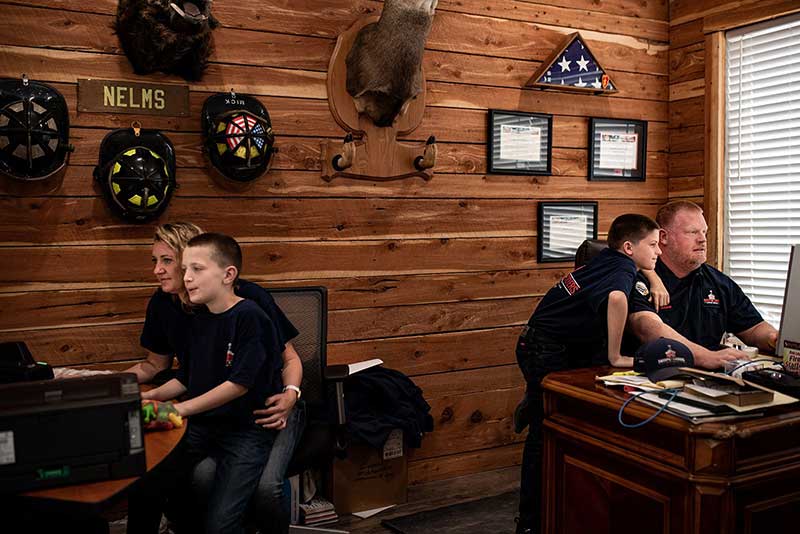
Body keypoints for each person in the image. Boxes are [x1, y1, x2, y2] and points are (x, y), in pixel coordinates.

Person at [125, 222, 303, 533]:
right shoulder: (195, 311)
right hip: (209, 418)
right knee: (148, 477)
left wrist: (291, 393)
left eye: (168, 261)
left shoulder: (247, 306)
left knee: (253, 497)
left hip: (257, 415)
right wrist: (129, 394)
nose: (158, 270)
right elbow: (178, 373)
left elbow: (272, 367)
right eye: (157, 261)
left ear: (225, 274)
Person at [514, 213, 661, 534]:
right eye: (653, 244)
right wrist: (615, 355)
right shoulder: (621, 269)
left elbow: (635, 266)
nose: (659, 251)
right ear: (628, 247)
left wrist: (654, 277)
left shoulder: (610, 257)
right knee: (545, 432)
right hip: (544, 348)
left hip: (539, 340)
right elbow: (617, 297)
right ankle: (530, 523)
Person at [627, 200, 778, 368]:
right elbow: (647, 327)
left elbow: (754, 327)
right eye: (692, 232)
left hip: (710, 377)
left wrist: (775, 338)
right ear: (663, 237)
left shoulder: (718, 283)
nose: (702, 240)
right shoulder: (641, 278)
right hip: (653, 376)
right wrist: (704, 357)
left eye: (704, 232)